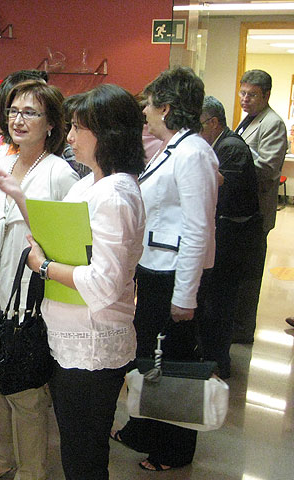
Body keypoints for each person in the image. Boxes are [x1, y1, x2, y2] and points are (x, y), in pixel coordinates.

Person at [0, 84, 146, 479]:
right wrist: (18, 195)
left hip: (92, 344)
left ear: (107, 134)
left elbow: (104, 283)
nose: (70, 137)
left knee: (83, 456)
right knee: (76, 448)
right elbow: (55, 230)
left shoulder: (114, 194)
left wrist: (43, 267)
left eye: (78, 128)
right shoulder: (91, 183)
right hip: (70, 337)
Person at [0, 80, 79, 480]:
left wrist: (21, 199)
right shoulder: (2, 161)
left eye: (30, 112)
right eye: (14, 111)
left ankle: (32, 470)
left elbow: (65, 244)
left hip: (29, 296)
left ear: (51, 123)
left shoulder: (59, 174)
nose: (19, 119)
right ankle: (4, 456)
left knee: (26, 388)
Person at [111, 66, 218, 471]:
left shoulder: (194, 154)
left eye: (150, 103)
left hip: (175, 276)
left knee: (172, 364)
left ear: (167, 107)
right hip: (155, 271)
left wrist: (185, 297)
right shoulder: (173, 147)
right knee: (148, 356)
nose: (145, 110)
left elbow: (197, 229)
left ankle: (174, 449)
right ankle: (143, 429)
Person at [199, 96, 262, 378]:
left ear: (213, 122)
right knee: (214, 302)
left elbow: (220, 184)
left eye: (198, 125)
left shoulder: (231, 147)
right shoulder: (219, 144)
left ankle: (218, 363)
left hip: (234, 239)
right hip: (224, 234)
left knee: (221, 303)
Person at [233, 69, 288, 344]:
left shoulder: (272, 123)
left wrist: (233, 163)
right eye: (242, 93)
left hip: (255, 212)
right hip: (240, 210)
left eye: (252, 95)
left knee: (249, 275)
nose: (245, 99)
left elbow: (267, 168)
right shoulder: (247, 120)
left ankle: (243, 330)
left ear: (266, 95)